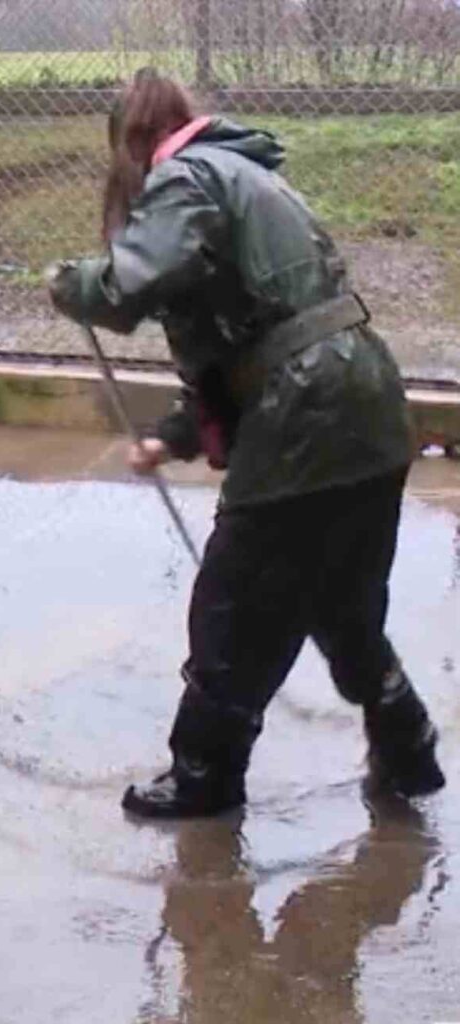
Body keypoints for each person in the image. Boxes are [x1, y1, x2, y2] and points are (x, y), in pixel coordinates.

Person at [47, 68, 445, 818]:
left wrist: (73, 284)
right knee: (342, 600)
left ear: (135, 144)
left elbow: (128, 285)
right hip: (367, 403)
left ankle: (203, 774)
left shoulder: (186, 177)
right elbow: (248, 336)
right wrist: (172, 436)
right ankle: (408, 745)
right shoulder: (250, 177)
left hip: (307, 416)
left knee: (234, 600)